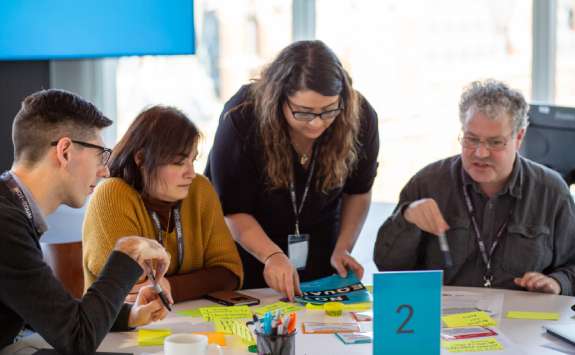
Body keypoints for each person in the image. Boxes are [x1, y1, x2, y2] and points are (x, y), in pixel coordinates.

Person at [205, 40, 380, 300]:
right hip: (249, 250)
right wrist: (272, 256)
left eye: (329, 110)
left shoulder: (359, 115)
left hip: (321, 249)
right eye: (304, 112)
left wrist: (343, 248)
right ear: (279, 98)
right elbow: (232, 210)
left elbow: (359, 191)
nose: (318, 123)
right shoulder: (242, 117)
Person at [0, 89, 171, 354]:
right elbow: (77, 339)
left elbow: (53, 316)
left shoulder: (12, 209)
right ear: (65, 151)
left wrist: (129, 316)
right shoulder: (5, 223)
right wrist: (127, 252)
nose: (104, 170)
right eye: (100, 155)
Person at [374, 79, 575, 295]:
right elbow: (387, 266)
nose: (480, 153)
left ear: (519, 138)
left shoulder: (551, 192)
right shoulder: (428, 183)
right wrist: (408, 218)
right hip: (444, 318)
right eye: (471, 139)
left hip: (522, 319)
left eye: (495, 142)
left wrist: (557, 282)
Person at [83, 106, 243, 303]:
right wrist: (198, 282)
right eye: (178, 162)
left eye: (193, 160)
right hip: (122, 328)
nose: (191, 173)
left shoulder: (200, 189)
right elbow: (132, 287)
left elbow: (230, 273)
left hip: (187, 322)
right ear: (141, 159)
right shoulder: (111, 194)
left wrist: (170, 287)